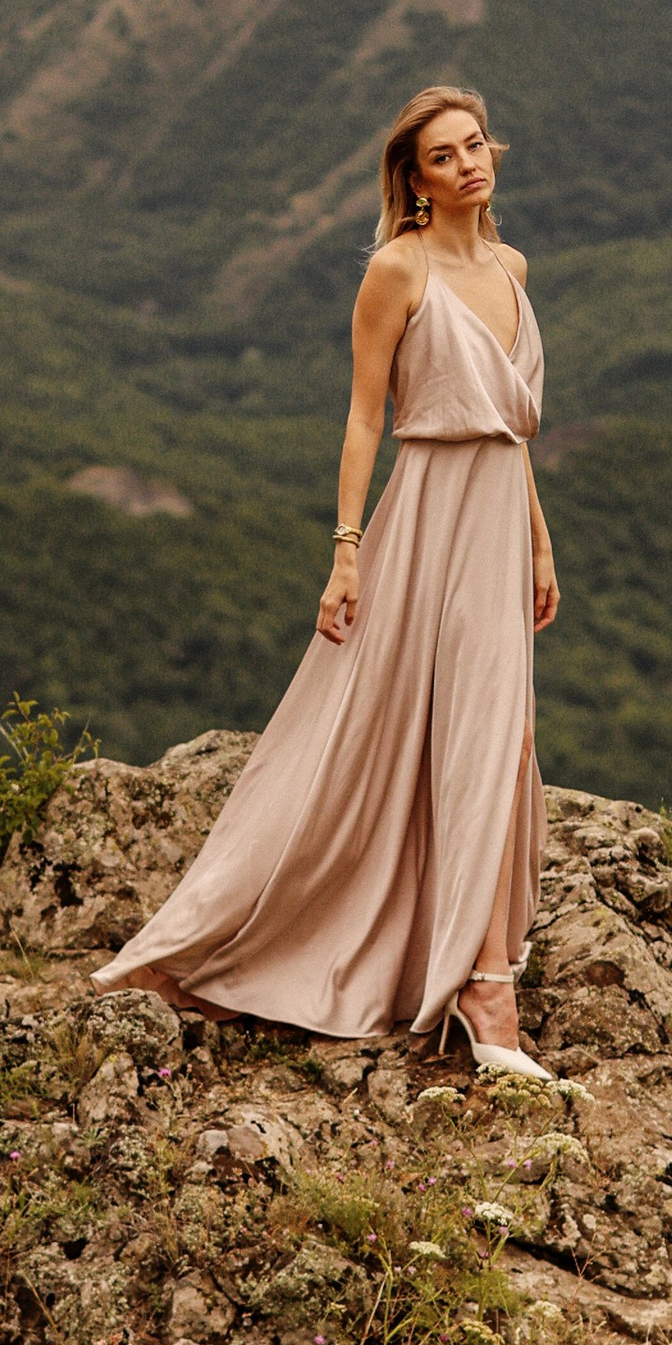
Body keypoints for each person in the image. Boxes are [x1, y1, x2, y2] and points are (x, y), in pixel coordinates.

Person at [93, 80, 559, 1079]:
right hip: (428, 514)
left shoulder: (512, 267)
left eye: (476, 144)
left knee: (497, 731)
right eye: (444, 155)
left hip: (496, 516)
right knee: (389, 730)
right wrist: (345, 548)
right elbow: (362, 416)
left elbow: (511, 432)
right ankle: (480, 990)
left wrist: (538, 541)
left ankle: (478, 973)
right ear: (416, 180)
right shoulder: (397, 271)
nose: (468, 162)